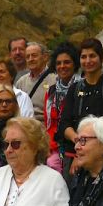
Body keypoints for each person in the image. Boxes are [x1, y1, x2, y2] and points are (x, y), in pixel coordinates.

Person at [57, 38, 103, 178]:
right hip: (74, 151)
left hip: (101, 153)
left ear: (102, 58)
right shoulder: (75, 88)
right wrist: (79, 143)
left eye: (92, 56)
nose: (88, 61)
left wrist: (84, 148)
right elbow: (64, 123)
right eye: (83, 57)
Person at [44, 43, 79, 171]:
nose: (62, 66)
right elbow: (48, 122)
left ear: (75, 64)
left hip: (76, 146)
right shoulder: (51, 91)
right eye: (58, 63)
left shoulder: (81, 87)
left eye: (67, 62)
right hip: (54, 148)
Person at [15, 42, 55, 123]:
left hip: (46, 126)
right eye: (27, 57)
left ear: (45, 57)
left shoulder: (55, 80)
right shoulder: (21, 82)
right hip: (24, 125)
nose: (30, 59)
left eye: (34, 55)